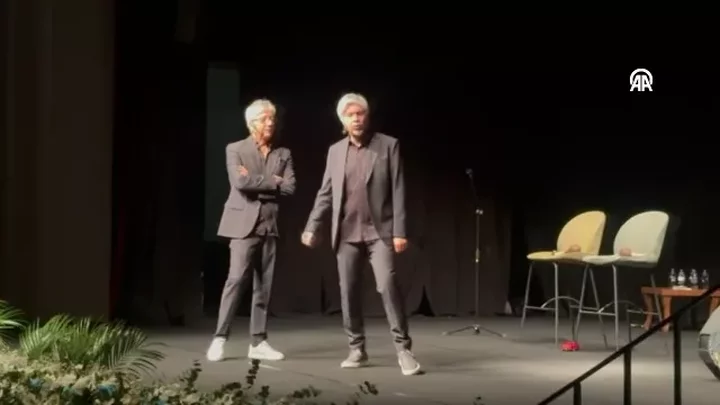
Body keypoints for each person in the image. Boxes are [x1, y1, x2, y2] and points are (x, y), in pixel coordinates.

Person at [301, 93, 421, 376]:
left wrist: (400, 231)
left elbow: (398, 189)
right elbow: (326, 192)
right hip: (346, 233)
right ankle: (357, 348)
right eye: (350, 115)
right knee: (348, 291)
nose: (356, 119)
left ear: (367, 116)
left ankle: (403, 349)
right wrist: (311, 225)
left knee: (387, 284)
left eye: (360, 113)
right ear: (342, 120)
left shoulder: (388, 145)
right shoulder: (335, 151)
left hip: (380, 231)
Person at [206, 99, 296, 362]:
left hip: (270, 224)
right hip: (243, 225)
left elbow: (290, 187)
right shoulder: (235, 149)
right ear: (252, 123)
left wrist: (261, 182)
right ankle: (220, 338)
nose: (270, 123)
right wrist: (273, 182)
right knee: (236, 280)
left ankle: (258, 341)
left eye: (272, 118)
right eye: (265, 118)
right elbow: (241, 182)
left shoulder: (283, 153)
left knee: (264, 286)